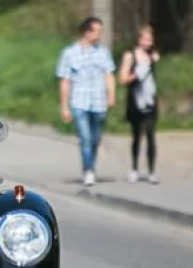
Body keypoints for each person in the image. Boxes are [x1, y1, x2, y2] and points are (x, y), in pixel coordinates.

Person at [55, 16, 116, 186]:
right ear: (86, 32)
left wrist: (111, 94)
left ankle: (90, 165)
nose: (100, 35)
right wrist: (64, 106)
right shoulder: (69, 53)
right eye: (97, 31)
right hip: (79, 101)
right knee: (85, 138)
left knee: (95, 138)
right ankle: (88, 170)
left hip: (98, 101)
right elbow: (65, 81)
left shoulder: (103, 53)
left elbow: (108, 74)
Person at [118, 25, 160, 184]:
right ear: (139, 39)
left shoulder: (153, 56)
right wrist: (135, 76)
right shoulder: (130, 55)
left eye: (150, 40)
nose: (148, 43)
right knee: (136, 135)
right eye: (145, 39)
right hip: (135, 100)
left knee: (151, 135)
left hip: (150, 100)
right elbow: (122, 79)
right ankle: (134, 168)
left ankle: (151, 171)